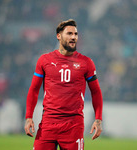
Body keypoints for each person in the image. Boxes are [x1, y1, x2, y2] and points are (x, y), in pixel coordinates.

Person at [24, 19, 103, 150]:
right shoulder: (44, 60)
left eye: (75, 34)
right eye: (69, 33)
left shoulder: (86, 62)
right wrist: (28, 117)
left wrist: (98, 119)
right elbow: (34, 89)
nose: (73, 37)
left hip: (73, 126)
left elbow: (96, 91)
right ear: (59, 36)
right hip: (48, 124)